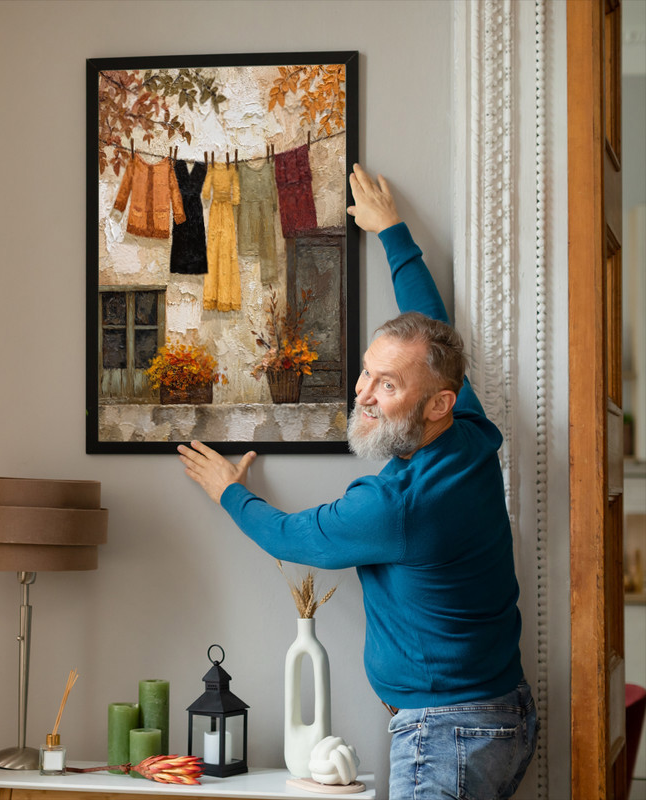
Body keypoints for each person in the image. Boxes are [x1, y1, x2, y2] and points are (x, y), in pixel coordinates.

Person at [177, 164, 538, 799]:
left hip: (448, 737)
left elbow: (294, 537)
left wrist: (228, 491)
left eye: (386, 386)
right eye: (367, 373)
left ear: (436, 405)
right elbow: (430, 330)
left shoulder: (396, 506)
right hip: (496, 717)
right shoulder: (471, 437)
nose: (363, 395)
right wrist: (393, 232)